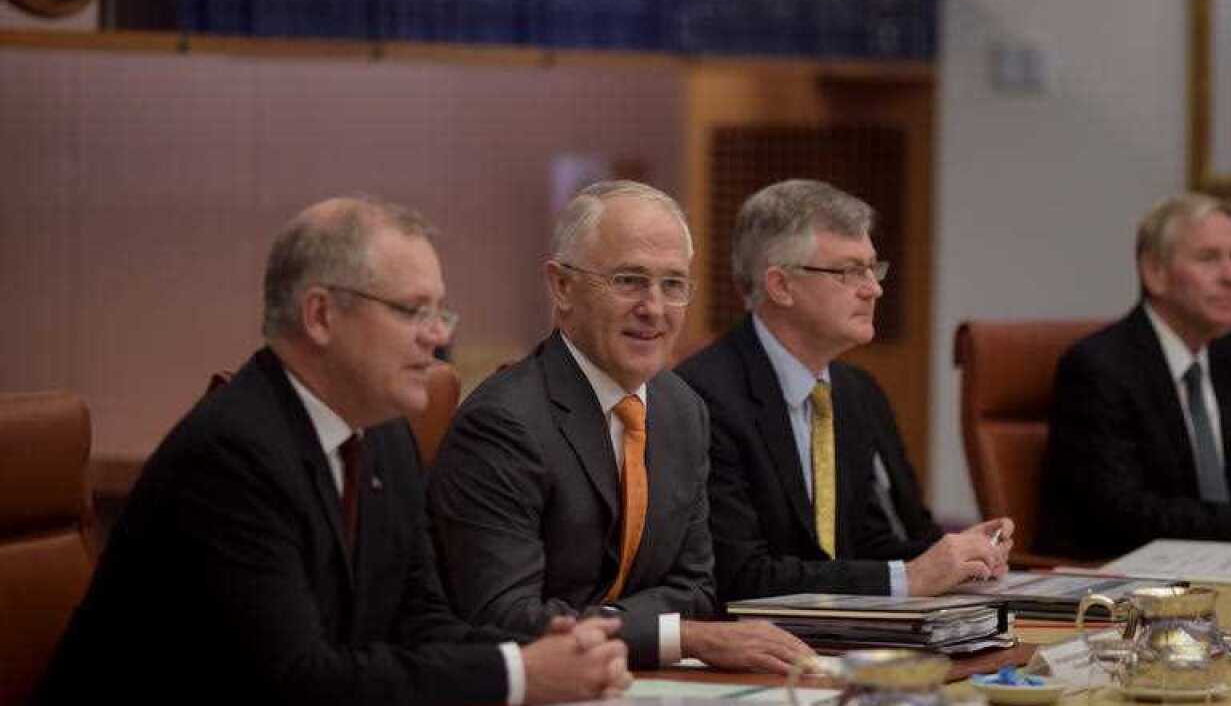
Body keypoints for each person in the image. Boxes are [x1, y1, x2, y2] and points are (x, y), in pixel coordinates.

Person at [38, 196, 630, 705]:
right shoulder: (232, 455)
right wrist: (516, 676)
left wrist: (536, 650)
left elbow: (418, 620)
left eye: (439, 311)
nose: (439, 334)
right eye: (412, 310)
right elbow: (299, 683)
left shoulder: (386, 433)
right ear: (320, 315)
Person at [429, 181, 813, 674]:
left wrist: (639, 627)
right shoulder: (502, 422)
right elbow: (502, 617)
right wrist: (675, 635)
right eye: (629, 280)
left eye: (673, 284)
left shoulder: (683, 409)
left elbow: (696, 589)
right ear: (561, 286)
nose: (653, 307)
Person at [674, 179, 1011, 602]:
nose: (874, 288)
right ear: (781, 286)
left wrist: (962, 557)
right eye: (850, 271)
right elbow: (740, 577)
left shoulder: (856, 393)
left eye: (873, 267)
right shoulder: (702, 398)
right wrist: (910, 578)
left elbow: (867, 548)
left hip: (852, 637)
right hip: (759, 649)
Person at [1040, 193, 1231, 559]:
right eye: (1209, 258)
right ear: (1155, 272)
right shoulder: (1098, 367)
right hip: (1118, 582)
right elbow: (1119, 510)